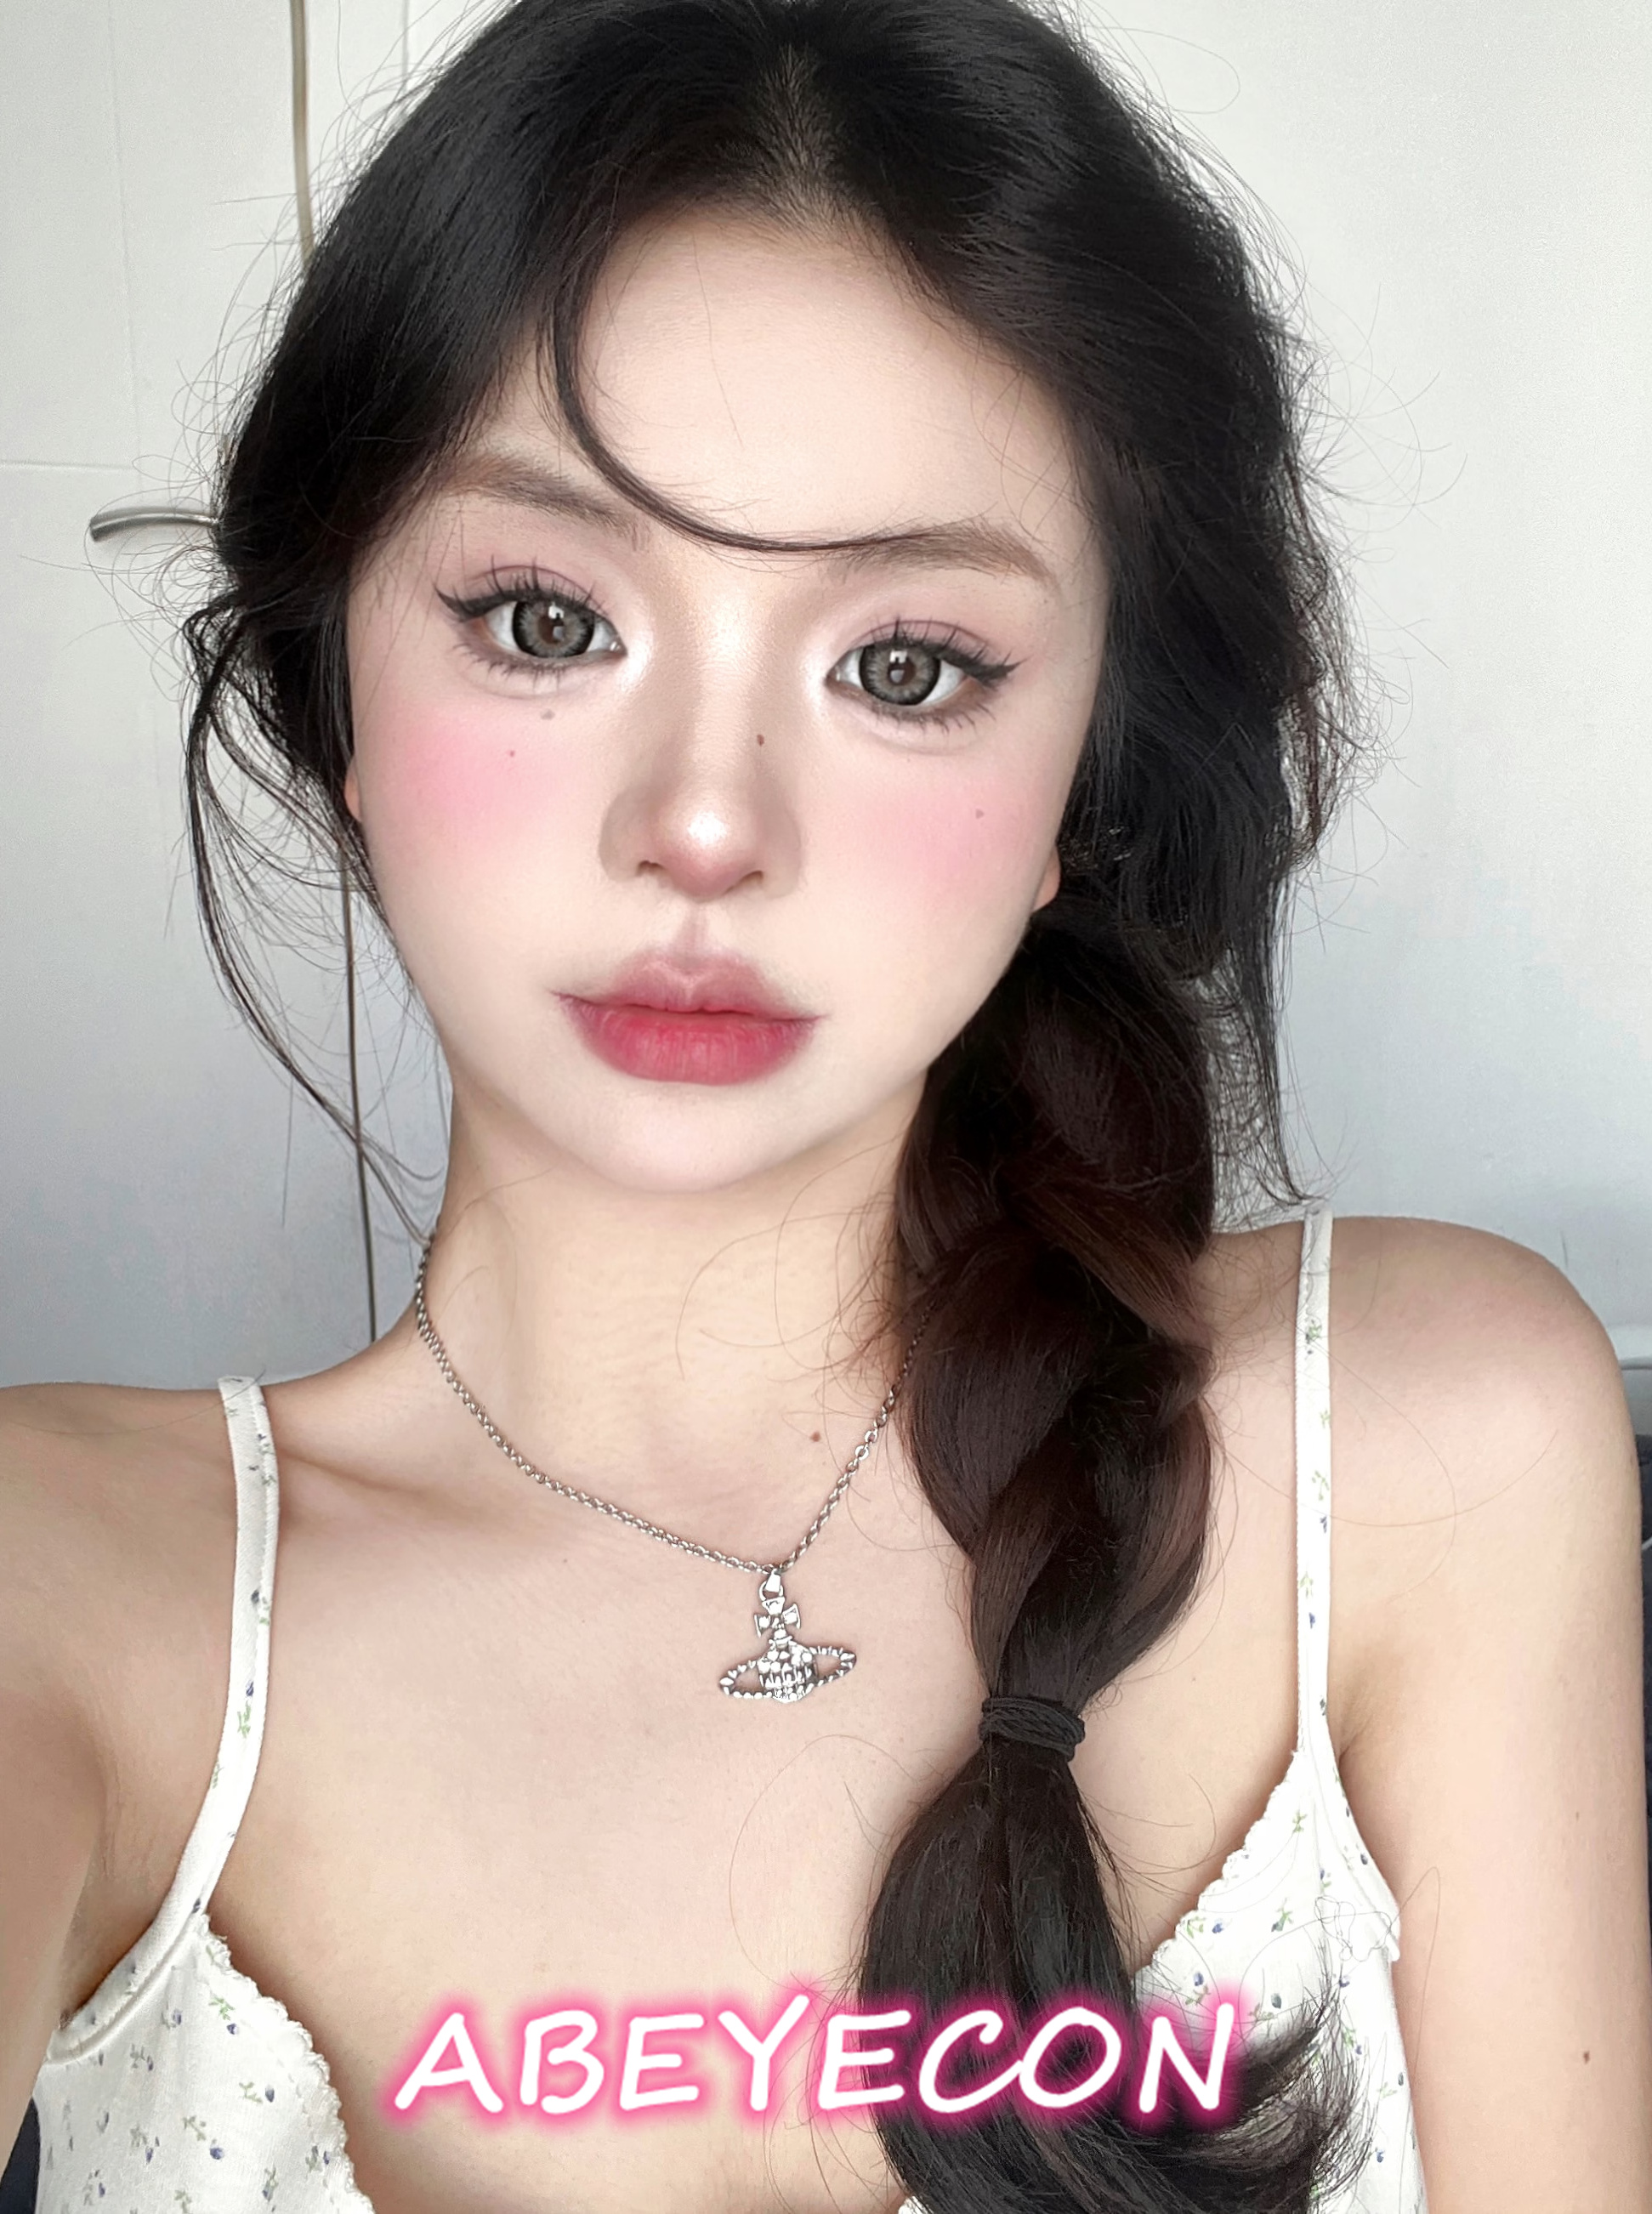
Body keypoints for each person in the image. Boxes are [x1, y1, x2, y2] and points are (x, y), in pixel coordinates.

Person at [3, 0, 1649, 2208]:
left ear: (1080, 780)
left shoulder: (1429, 1445)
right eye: (546, 620)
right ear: (337, 686)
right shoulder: (67, 1587)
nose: (706, 824)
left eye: (903, 665)